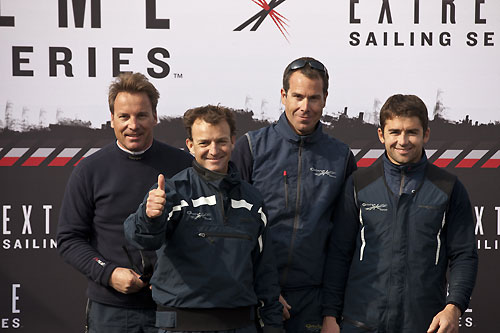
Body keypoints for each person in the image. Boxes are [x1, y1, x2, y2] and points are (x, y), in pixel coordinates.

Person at [321, 94, 478, 333]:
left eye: (411, 132)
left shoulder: (448, 187)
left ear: (426, 134)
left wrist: (453, 307)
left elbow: (464, 255)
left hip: (423, 325)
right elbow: (338, 254)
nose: (403, 141)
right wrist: (330, 316)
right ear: (381, 134)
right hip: (360, 323)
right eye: (394, 132)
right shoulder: (359, 184)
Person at [124, 105, 283, 332]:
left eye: (221, 141)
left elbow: (265, 274)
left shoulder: (252, 200)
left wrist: (274, 327)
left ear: (233, 141)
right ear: (190, 146)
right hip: (180, 326)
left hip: (241, 325)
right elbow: (140, 238)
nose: (214, 150)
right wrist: (149, 217)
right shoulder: (171, 191)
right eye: (204, 143)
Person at [57, 72, 193, 333]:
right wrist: (108, 273)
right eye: (124, 116)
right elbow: (69, 239)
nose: (133, 124)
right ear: (111, 119)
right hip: (112, 311)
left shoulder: (183, 166)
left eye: (141, 115)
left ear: (155, 116)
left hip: (174, 307)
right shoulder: (89, 171)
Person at [231, 57, 357, 332]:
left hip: (313, 300)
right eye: (297, 96)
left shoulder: (340, 157)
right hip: (255, 296)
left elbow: (343, 241)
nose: (305, 107)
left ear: (325, 99)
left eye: (314, 98)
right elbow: (232, 230)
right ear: (283, 96)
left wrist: (331, 312)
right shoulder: (251, 147)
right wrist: (262, 289)